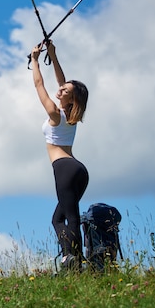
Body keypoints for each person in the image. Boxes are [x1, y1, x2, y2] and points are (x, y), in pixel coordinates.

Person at [31, 40, 89, 271]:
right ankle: (72, 258)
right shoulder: (71, 115)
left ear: (70, 99)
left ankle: (73, 261)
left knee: (69, 218)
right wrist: (53, 56)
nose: (61, 89)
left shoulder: (55, 114)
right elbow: (61, 80)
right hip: (79, 170)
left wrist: (35, 60)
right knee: (59, 219)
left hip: (64, 168)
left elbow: (39, 85)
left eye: (66, 91)